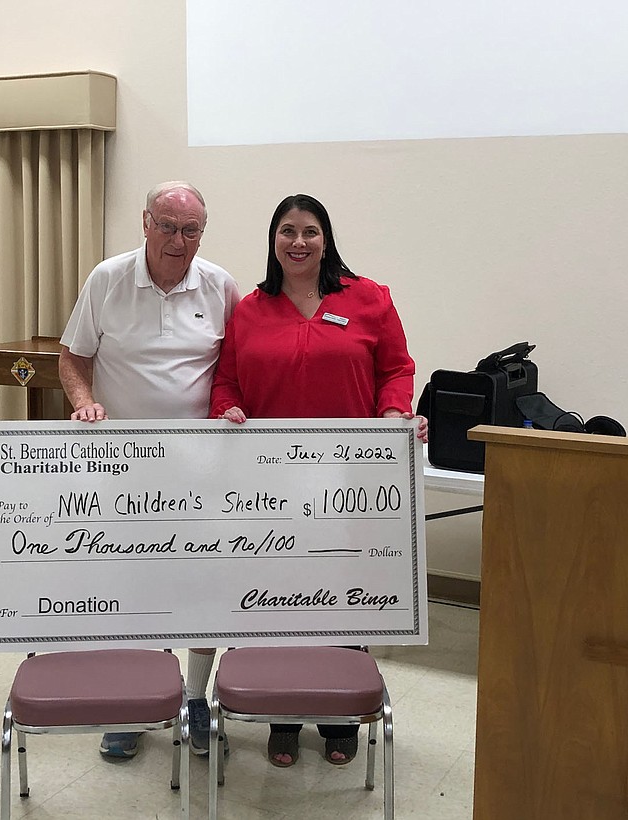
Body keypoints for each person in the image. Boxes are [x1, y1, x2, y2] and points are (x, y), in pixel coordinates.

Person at [209, 193, 427, 768]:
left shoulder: (368, 299)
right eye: (287, 231)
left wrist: (392, 414)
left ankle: (338, 716)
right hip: (269, 486)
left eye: (309, 231)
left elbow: (396, 370)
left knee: (339, 599)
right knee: (279, 601)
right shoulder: (250, 309)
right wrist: (227, 411)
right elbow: (226, 382)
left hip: (347, 480)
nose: (298, 242)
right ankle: (282, 715)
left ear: (326, 238)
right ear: (273, 240)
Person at [59, 180, 240, 759]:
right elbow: (72, 356)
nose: (177, 240)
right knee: (130, 588)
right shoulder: (107, 279)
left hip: (204, 467)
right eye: (167, 226)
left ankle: (195, 699)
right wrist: (82, 400)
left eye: (190, 230)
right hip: (123, 468)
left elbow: (236, 366)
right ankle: (134, 700)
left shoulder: (220, 286)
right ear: (144, 223)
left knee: (203, 584)